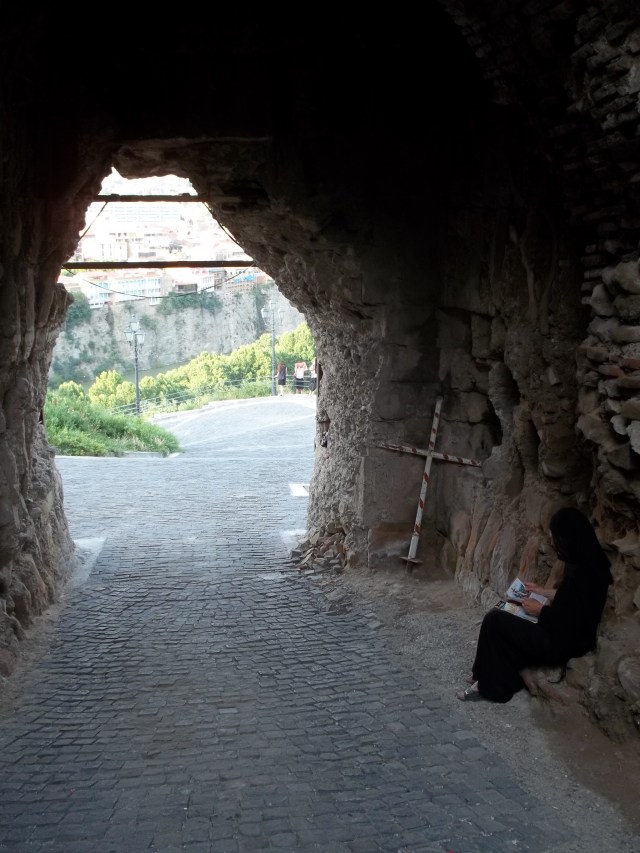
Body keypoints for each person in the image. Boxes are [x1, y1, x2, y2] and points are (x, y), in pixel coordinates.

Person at [457, 506, 613, 703]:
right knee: (505, 608)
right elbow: (574, 601)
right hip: (559, 629)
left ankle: (489, 687)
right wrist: (542, 592)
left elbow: (571, 624)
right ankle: (481, 673)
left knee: (495, 620)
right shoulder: (589, 562)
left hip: (563, 643)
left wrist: (540, 611)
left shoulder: (586, 574)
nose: (556, 547)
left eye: (557, 541)